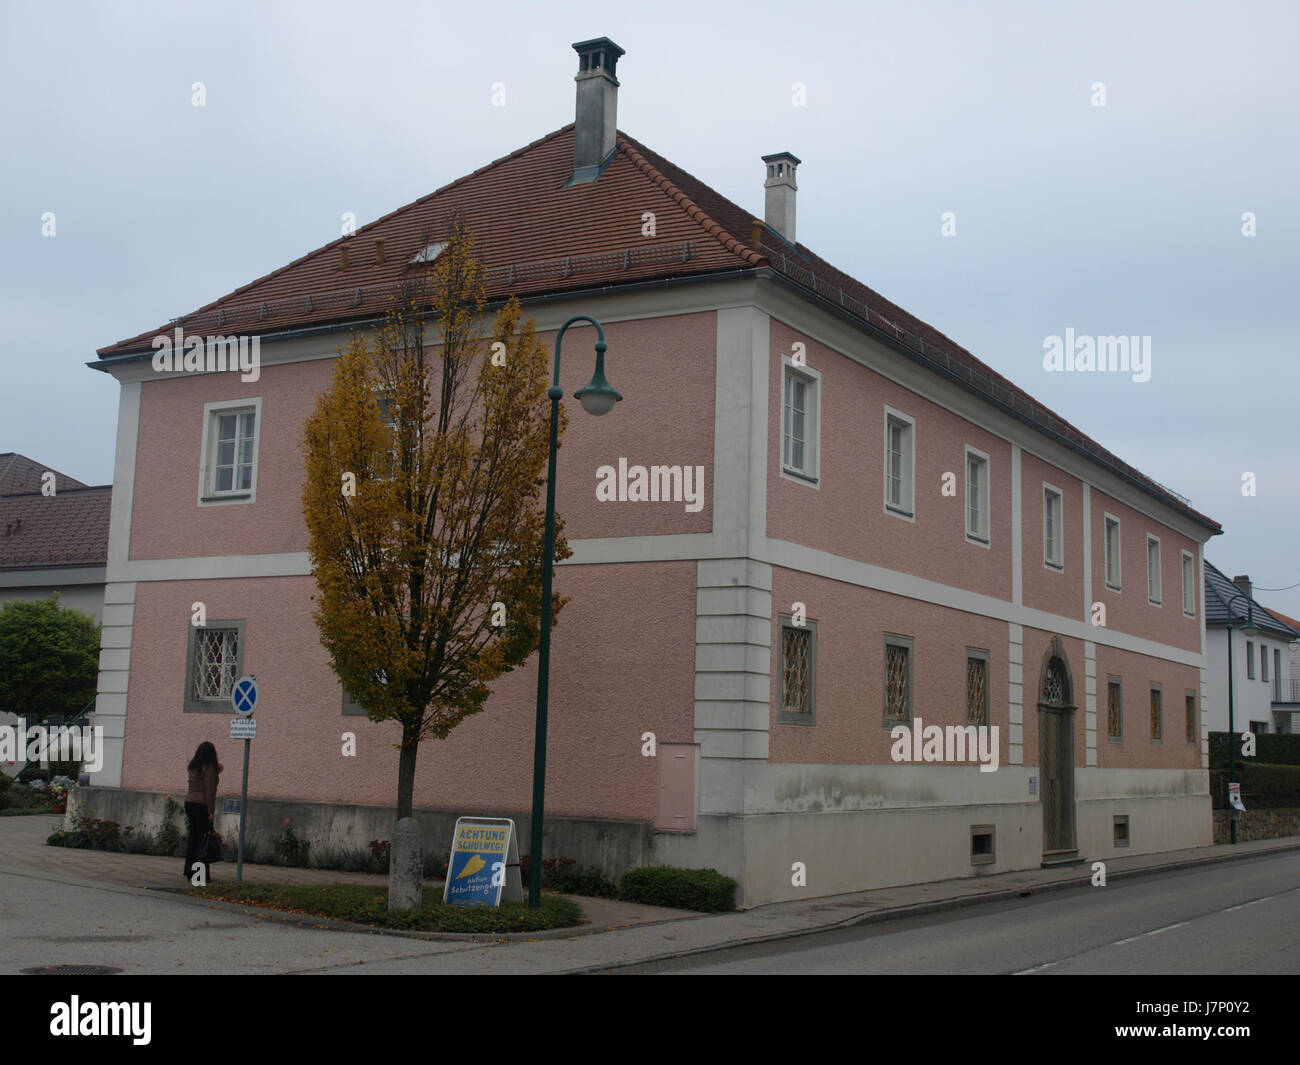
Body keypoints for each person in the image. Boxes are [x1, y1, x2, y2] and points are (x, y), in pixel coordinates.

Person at [183, 741, 222, 881]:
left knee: (193, 838)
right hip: (201, 805)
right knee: (203, 840)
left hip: (189, 802)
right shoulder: (209, 767)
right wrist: (211, 811)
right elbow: (210, 791)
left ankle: (189, 871)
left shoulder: (193, 766)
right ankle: (200, 876)